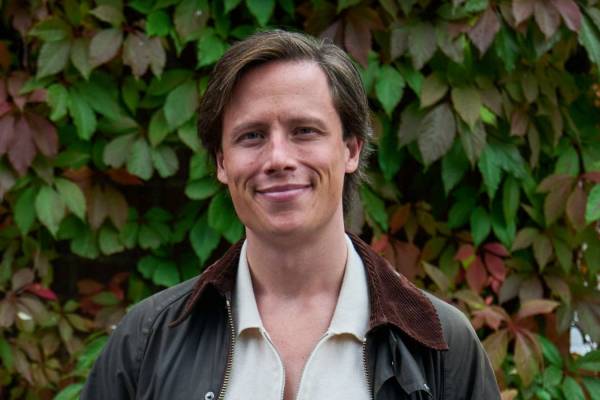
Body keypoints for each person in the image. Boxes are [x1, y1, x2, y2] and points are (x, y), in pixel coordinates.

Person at [82, 30, 501, 400]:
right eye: (252, 136)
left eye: (304, 131)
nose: (278, 158)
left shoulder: (441, 346)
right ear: (222, 162)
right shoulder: (147, 340)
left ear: (351, 149)